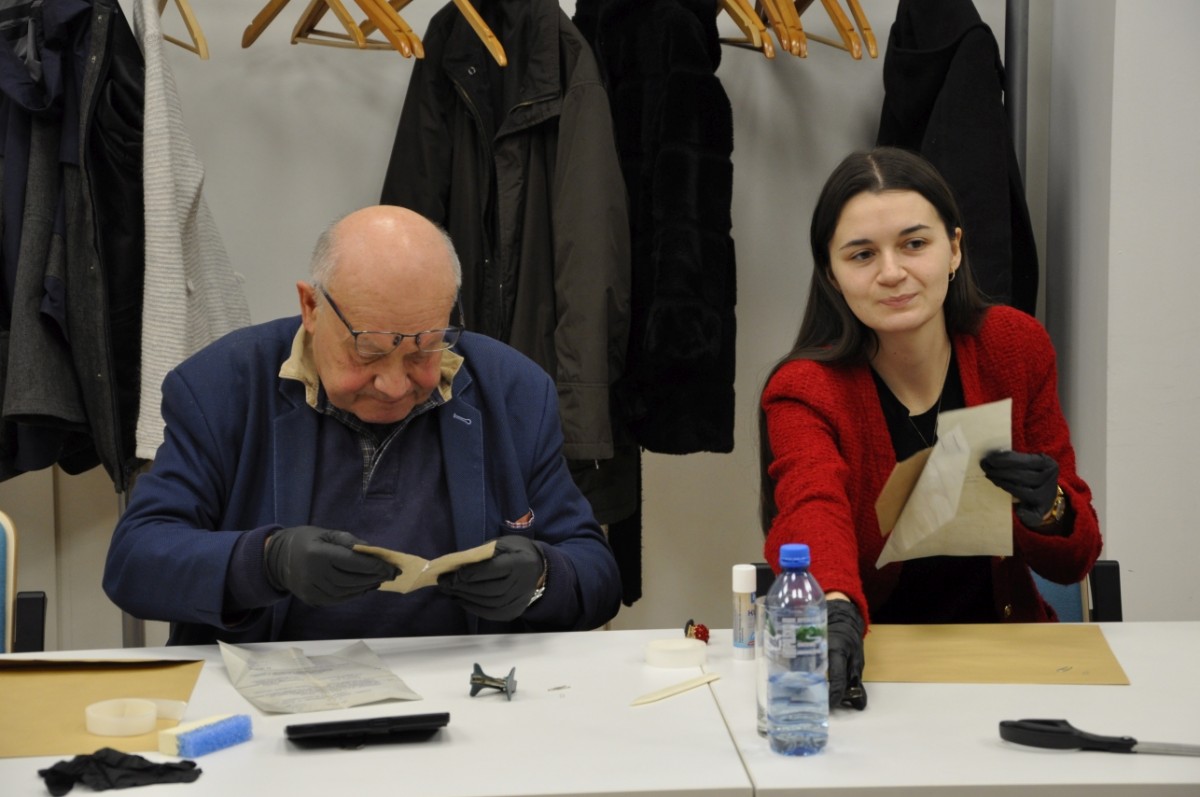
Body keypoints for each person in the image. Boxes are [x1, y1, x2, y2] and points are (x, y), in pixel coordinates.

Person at [104, 206, 622, 644]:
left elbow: (597, 574)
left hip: (464, 694)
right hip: (271, 697)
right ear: (311, 307)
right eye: (368, 351)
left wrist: (541, 577)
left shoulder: (514, 391)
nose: (394, 386)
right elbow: (134, 562)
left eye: (424, 350)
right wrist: (264, 562)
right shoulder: (221, 386)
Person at [758, 147, 1102, 709]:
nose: (892, 272)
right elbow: (811, 507)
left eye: (914, 244)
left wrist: (1051, 507)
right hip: (873, 667)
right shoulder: (805, 388)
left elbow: (1075, 559)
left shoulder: (1014, 347)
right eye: (862, 254)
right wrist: (834, 606)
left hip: (1007, 659)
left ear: (954, 249)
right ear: (832, 274)